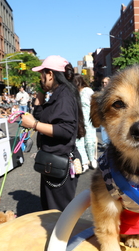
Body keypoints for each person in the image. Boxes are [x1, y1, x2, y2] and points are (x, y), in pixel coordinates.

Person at [21, 55, 86, 211]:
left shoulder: (64, 96)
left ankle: (62, 236)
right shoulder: (59, 93)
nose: (40, 78)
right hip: (53, 160)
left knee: (58, 213)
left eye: (42, 74)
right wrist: (40, 96)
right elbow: (41, 116)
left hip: (60, 162)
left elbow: (65, 130)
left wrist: (34, 125)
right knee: (52, 210)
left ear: (50, 74)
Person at [73, 73, 97, 172]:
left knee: (90, 142)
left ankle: (92, 159)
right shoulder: (73, 93)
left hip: (89, 120)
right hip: (78, 120)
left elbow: (95, 104)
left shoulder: (88, 91)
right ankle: (84, 162)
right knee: (79, 142)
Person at [100, 76, 110, 149]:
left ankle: (110, 142)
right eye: (103, 82)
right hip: (103, 112)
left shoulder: (112, 90)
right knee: (103, 127)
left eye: (106, 82)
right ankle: (105, 142)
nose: (104, 84)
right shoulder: (101, 91)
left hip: (110, 113)